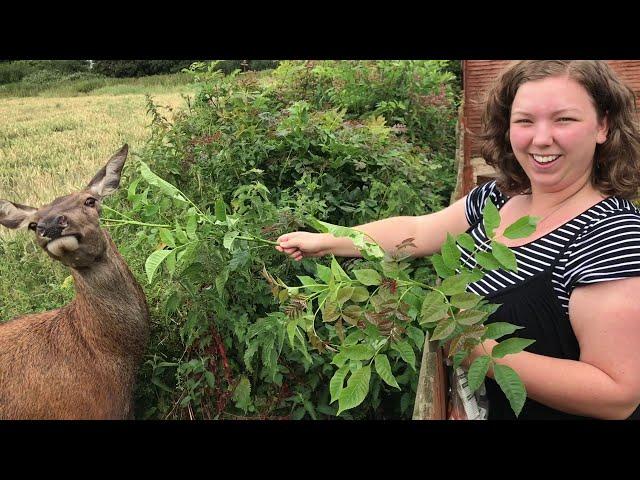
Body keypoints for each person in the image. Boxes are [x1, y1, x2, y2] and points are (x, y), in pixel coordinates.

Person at [275, 60, 640, 420]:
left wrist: (476, 351)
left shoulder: (612, 235)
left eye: (564, 119)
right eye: (525, 120)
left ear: (602, 125)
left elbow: (617, 395)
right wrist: (327, 240)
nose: (541, 138)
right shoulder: (500, 197)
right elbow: (417, 232)